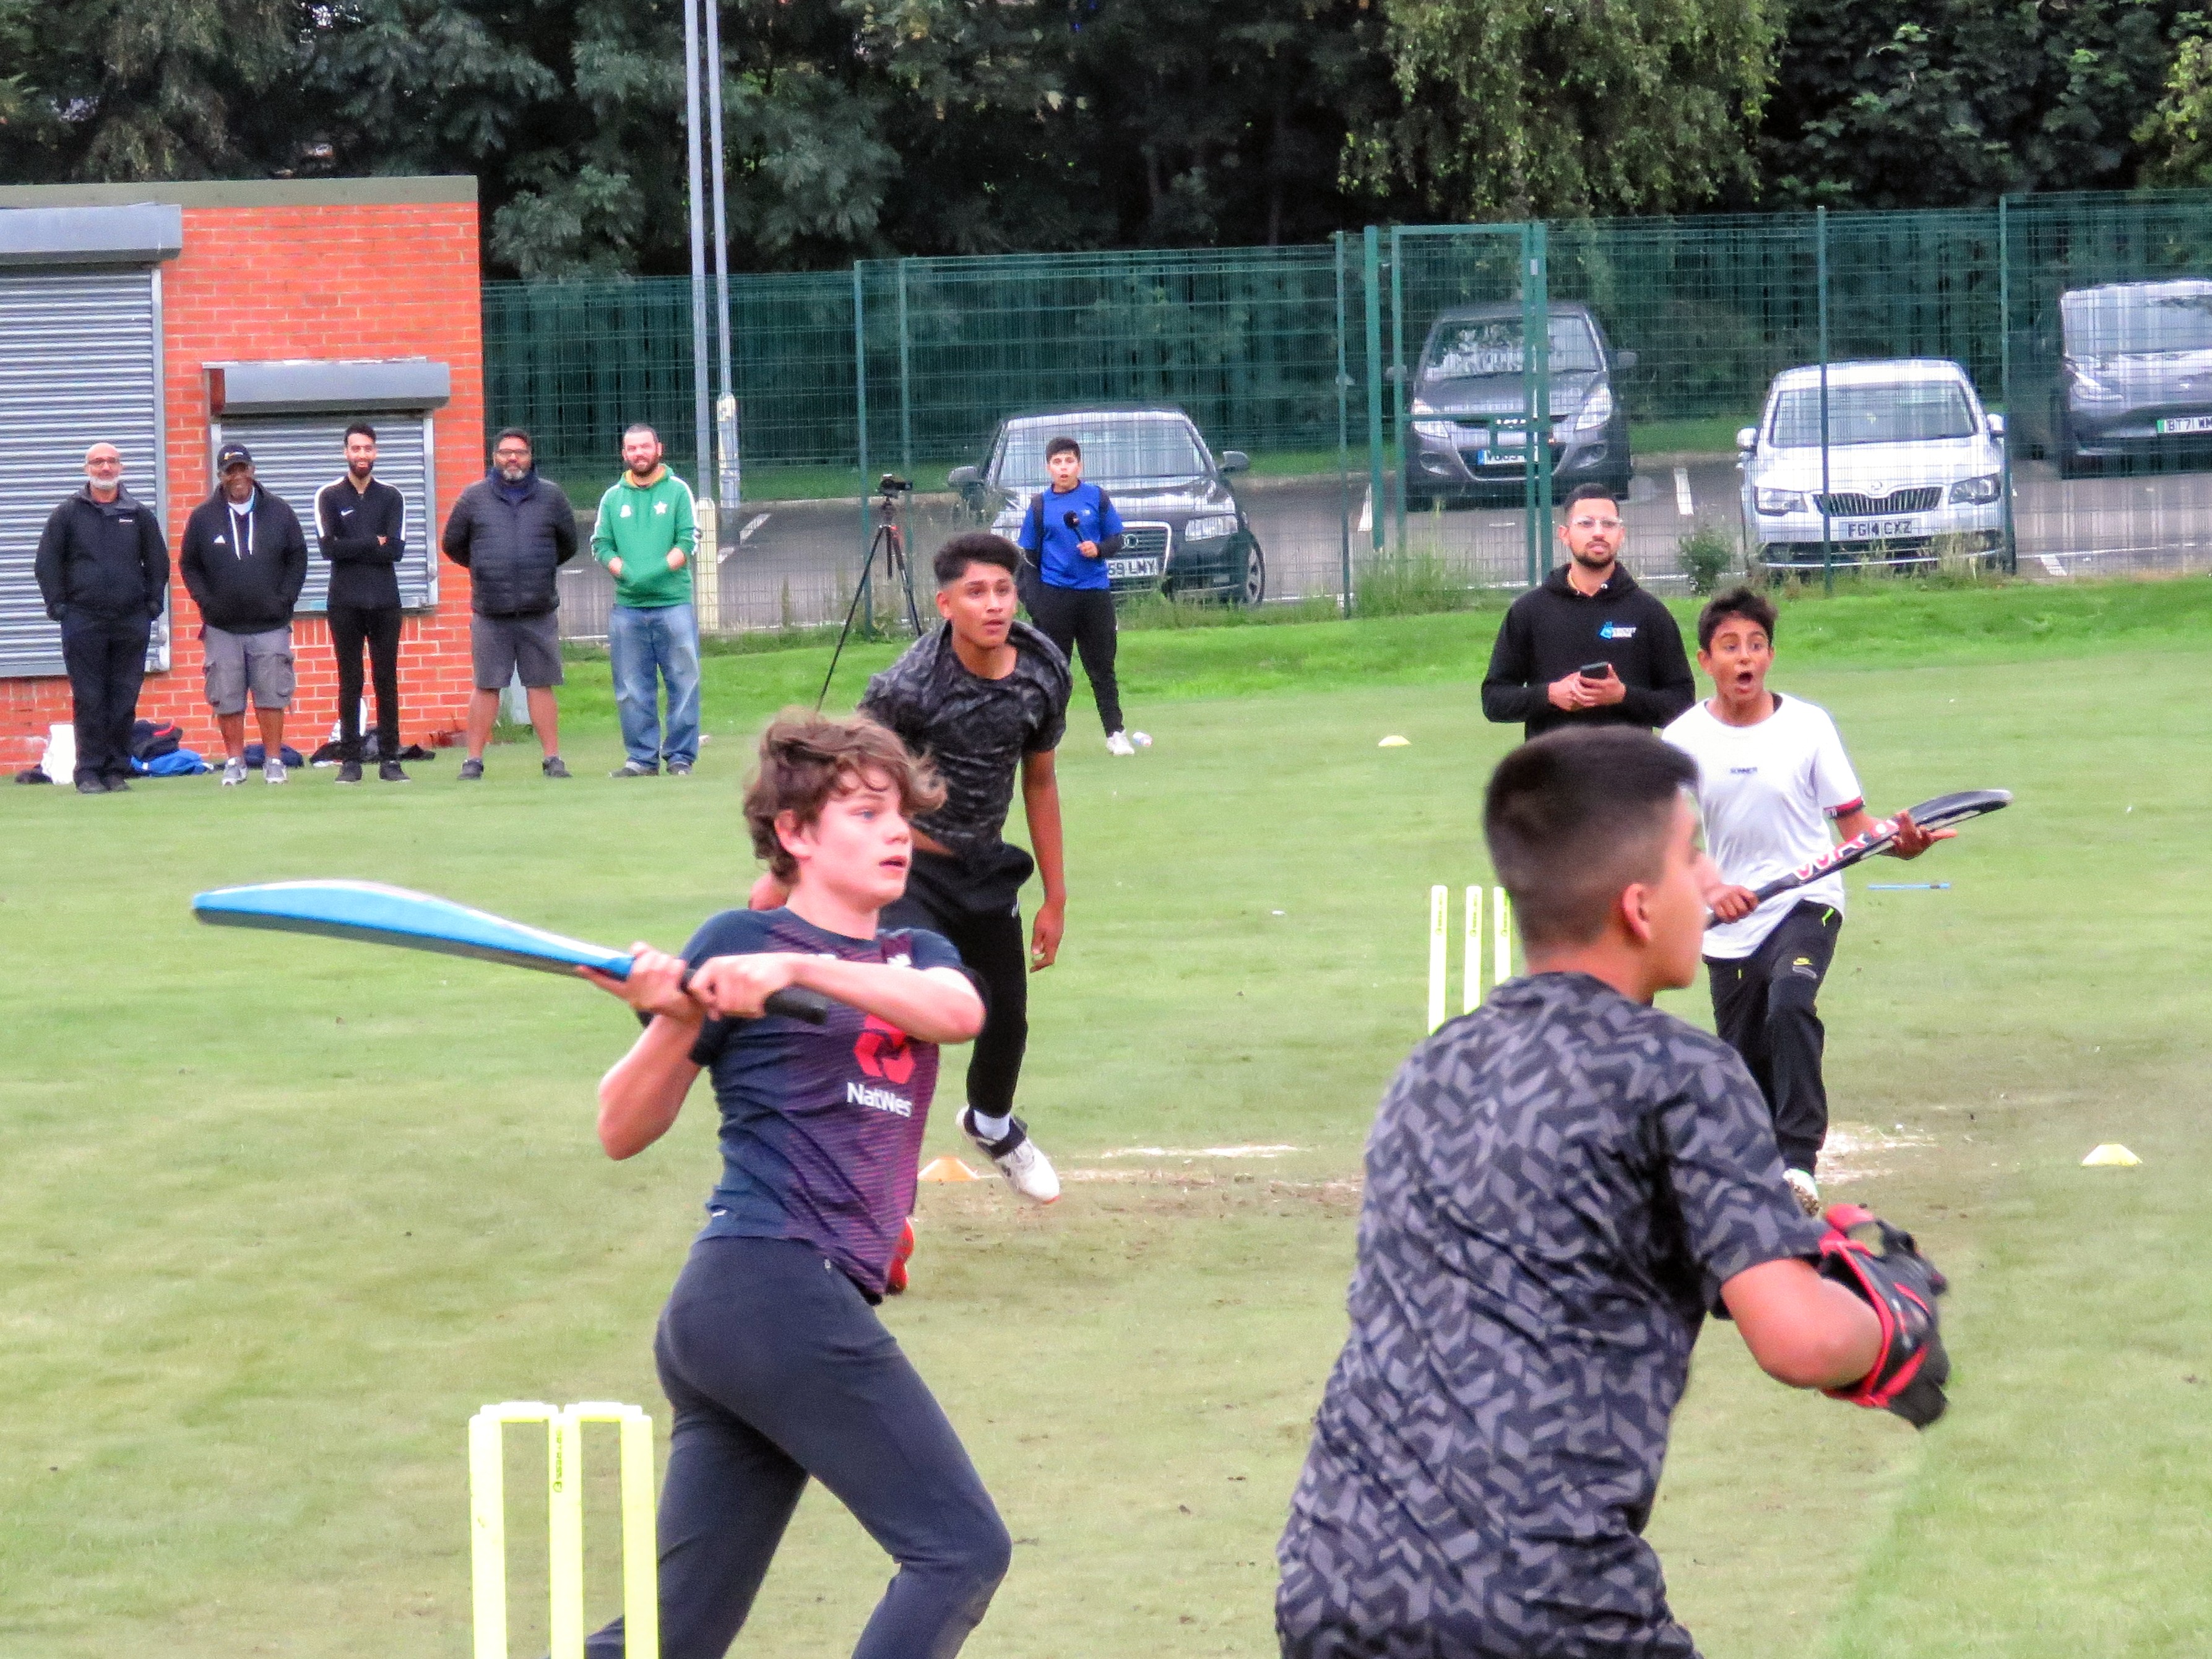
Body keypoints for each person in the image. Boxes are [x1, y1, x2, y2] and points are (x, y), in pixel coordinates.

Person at [1275, 726, 1949, 1659]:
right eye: (1691, 855)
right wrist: (1894, 1313)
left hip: (1333, 1575)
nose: (1712, 879)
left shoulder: (1429, 1067)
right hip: (1543, 1599)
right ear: (1639, 908)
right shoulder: (1681, 1073)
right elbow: (1797, 1338)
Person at [580, 711, 1009, 1659]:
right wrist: (678, 1014)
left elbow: (960, 1012)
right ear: (795, 833)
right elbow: (621, 1128)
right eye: (862, 812)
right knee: (959, 1549)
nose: (894, 831)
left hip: (773, 1312)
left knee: (671, 1638)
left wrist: (796, 968)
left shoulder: (911, 955)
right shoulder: (735, 940)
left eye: (896, 812)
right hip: (764, 1288)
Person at [753, 532, 1069, 1219]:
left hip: (986, 866)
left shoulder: (1044, 669)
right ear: (945, 603)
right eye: (976, 593)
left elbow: (1039, 781)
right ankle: (874, 1184)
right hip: (909, 870)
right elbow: (837, 785)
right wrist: (778, 884)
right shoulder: (905, 688)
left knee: (1003, 1019)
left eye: (1004, 591)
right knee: (907, 1018)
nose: (993, 606)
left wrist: (1056, 895)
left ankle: (990, 1123)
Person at [1664, 585, 1947, 1216]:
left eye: (1757, 645)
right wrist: (1714, 888)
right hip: (1729, 923)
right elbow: (1672, 837)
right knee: (1743, 1067)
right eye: (1730, 646)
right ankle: (1765, 1164)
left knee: (1790, 1001)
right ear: (1706, 660)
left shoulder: (1808, 726)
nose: (1746, 658)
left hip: (1808, 898)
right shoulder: (1682, 737)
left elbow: (1855, 830)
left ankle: (1799, 1161)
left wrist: (1902, 845)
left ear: (1769, 655)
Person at [1480, 482, 1695, 741]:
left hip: (1630, 771)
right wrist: (1550, 695)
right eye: (1585, 523)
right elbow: (1495, 701)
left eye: (1608, 524)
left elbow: (1682, 705)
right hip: (1554, 772)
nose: (1599, 533)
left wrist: (1623, 696)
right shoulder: (1530, 611)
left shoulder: (1649, 612)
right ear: (1564, 534)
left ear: (1621, 534)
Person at [441, 427, 579, 780]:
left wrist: (537, 567)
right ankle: (473, 760)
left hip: (538, 608)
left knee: (541, 683)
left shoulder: (552, 497)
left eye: (519, 452)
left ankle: (553, 759)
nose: (512, 458)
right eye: (505, 452)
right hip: (490, 609)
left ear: (531, 457)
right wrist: (487, 567)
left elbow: (568, 545)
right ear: (494, 457)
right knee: (487, 684)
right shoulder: (473, 498)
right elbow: (453, 544)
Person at [33, 442, 169, 794]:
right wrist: (58, 607)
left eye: (111, 461)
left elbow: (158, 564)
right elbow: (47, 563)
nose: (105, 468)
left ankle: (115, 770)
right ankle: (89, 772)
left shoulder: (139, 515)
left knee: (124, 698)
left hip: (130, 621)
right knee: (90, 698)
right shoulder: (67, 514)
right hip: (83, 620)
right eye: (98, 462)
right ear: (86, 469)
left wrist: (152, 605)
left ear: (121, 467)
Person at [179, 444, 309, 787]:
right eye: (229, 471)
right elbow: (189, 564)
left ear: (252, 470)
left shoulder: (279, 512)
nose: (237, 477)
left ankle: (274, 761)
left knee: (271, 694)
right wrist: (205, 603)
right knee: (227, 695)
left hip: (270, 623)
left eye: (242, 469)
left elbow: (298, 557)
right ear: (220, 476)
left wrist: (285, 600)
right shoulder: (204, 516)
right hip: (222, 626)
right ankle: (235, 761)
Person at [1016, 435, 1145, 756]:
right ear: (1049, 468)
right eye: (1057, 462)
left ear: (1079, 465)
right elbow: (1028, 559)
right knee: (1054, 671)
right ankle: (1047, 742)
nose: (1064, 467)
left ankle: (1115, 733)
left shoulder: (1096, 498)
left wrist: (1098, 549)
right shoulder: (1039, 506)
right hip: (1056, 598)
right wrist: (1037, 602)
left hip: (1094, 597)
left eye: (1069, 461)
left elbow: (1116, 539)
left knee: (1102, 668)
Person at [592, 422, 702, 778]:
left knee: (683, 682)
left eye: (645, 447)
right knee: (630, 688)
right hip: (628, 608)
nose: (639, 453)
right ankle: (641, 759)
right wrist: (624, 571)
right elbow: (601, 545)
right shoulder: (612, 498)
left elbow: (687, 543)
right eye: (632, 449)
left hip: (674, 604)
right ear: (624, 454)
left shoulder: (679, 492)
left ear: (659, 449)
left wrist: (652, 573)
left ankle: (681, 757)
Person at [316, 422, 410, 784]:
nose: (362, 455)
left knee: (386, 679)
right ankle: (351, 761)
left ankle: (391, 760)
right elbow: (329, 549)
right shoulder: (329, 496)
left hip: (386, 601)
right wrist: (374, 542)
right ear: (346, 452)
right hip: (344, 602)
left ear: (376, 452)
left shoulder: (392, 497)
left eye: (368, 448)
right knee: (349, 680)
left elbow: (397, 551)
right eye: (355, 449)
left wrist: (354, 545)